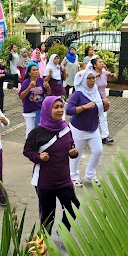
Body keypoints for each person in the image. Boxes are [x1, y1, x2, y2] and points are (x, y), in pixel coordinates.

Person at [23, 96, 80, 234]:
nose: (60, 110)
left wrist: (73, 153)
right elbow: (27, 150)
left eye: (61, 107)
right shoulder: (37, 132)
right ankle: (42, 245)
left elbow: (71, 146)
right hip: (45, 181)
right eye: (56, 107)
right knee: (48, 216)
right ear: (48, 110)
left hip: (63, 178)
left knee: (73, 205)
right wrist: (39, 156)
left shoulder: (66, 128)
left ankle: (63, 232)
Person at [66, 69, 109, 187]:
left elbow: (100, 109)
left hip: (93, 127)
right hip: (78, 129)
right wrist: (84, 107)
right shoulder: (78, 94)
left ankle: (90, 174)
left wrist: (106, 106)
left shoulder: (96, 92)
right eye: (89, 78)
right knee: (76, 153)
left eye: (93, 78)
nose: (92, 81)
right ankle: (73, 176)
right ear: (83, 80)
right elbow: (69, 111)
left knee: (98, 151)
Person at [19, 63, 51, 138]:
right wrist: (29, 87)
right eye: (34, 70)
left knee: (40, 130)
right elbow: (21, 96)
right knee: (30, 131)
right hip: (29, 111)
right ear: (29, 73)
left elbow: (48, 94)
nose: (36, 71)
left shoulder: (41, 81)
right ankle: (29, 147)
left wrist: (48, 88)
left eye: (37, 70)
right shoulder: (26, 82)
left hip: (40, 110)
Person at [92, 57, 115, 144]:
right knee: (94, 117)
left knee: (103, 116)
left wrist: (111, 75)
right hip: (93, 98)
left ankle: (105, 136)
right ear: (94, 65)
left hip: (103, 98)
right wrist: (94, 77)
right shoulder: (91, 74)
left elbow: (115, 78)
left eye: (102, 62)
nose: (102, 63)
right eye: (100, 62)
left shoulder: (105, 72)